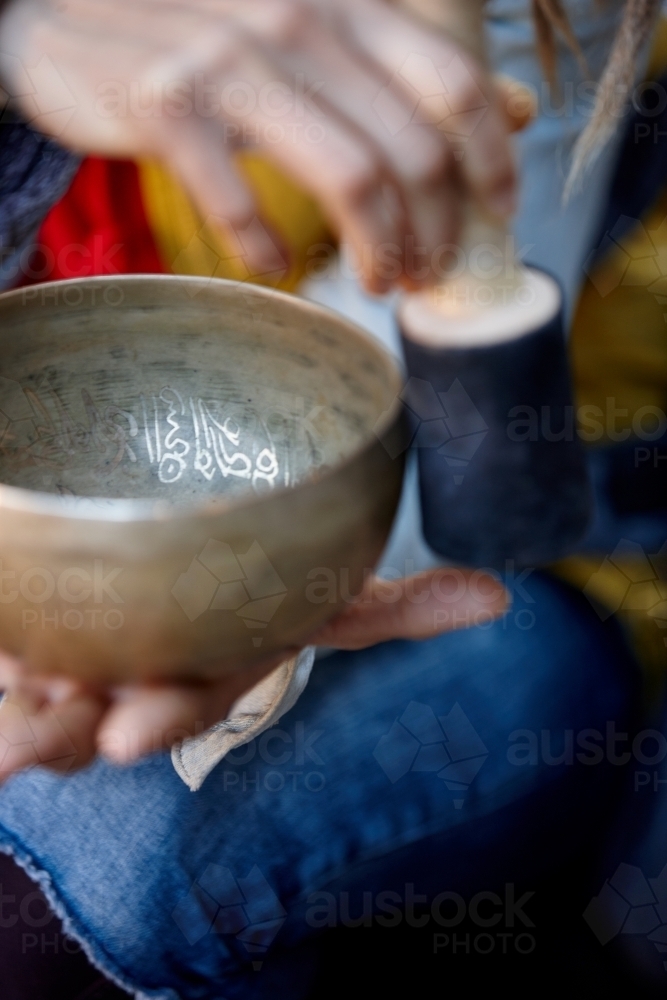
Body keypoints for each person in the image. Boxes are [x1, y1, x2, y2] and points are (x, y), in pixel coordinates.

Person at [0, 0, 654, 997]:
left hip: (547, 560)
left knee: (119, 848)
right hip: (173, 443)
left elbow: (431, 425)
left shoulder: (537, 24)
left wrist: (191, 587)